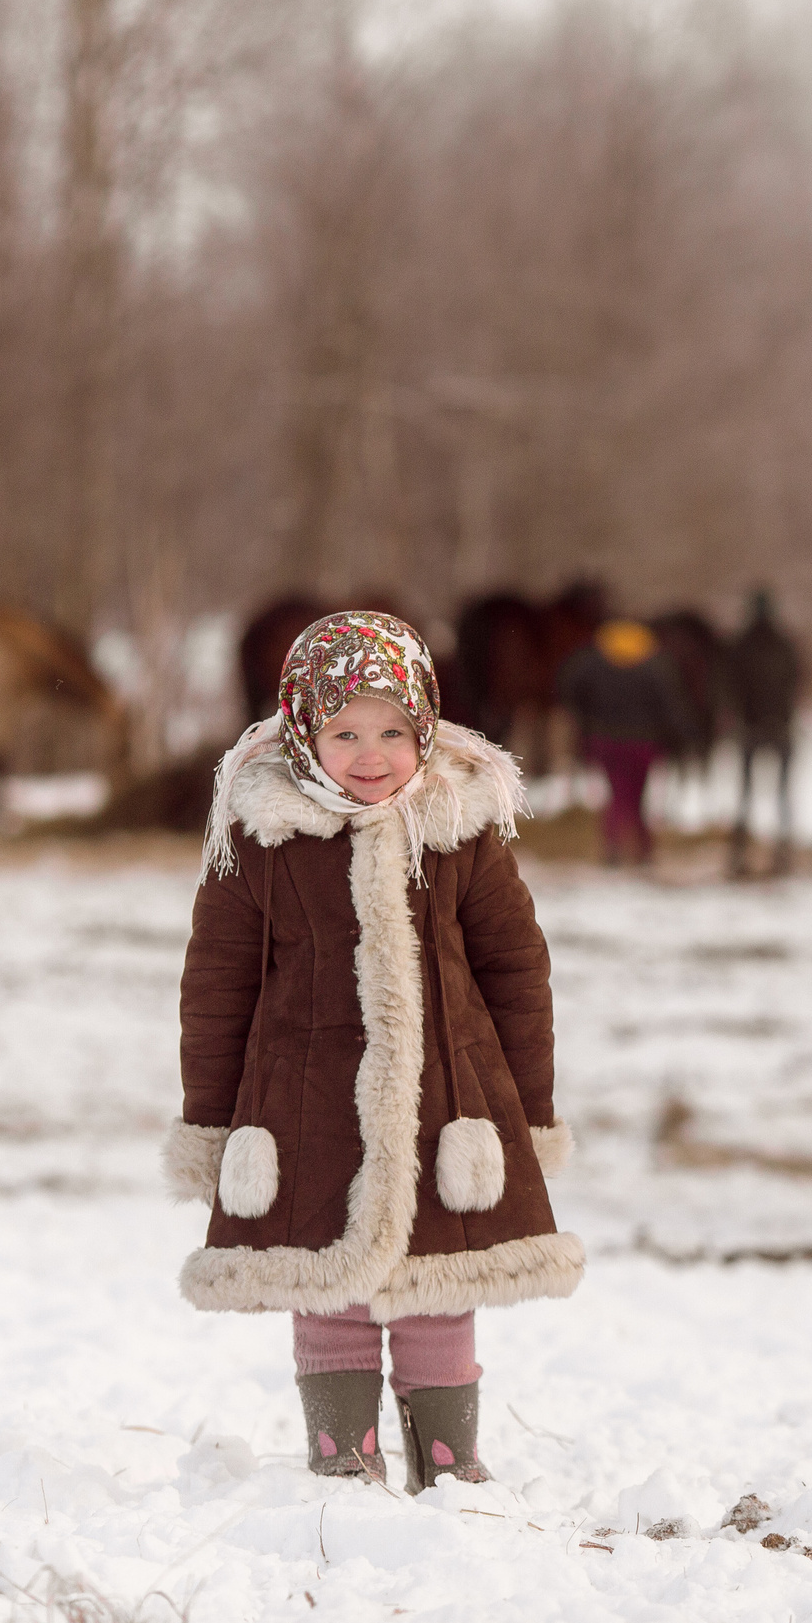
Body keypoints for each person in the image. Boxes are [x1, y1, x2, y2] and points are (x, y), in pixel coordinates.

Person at [165, 611, 580, 1489]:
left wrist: (531, 1114)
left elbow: (517, 972)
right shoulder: (262, 837)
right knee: (332, 1290)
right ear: (303, 729)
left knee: (438, 1286)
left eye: (394, 731)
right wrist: (209, 1123)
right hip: (306, 1105)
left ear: (426, 727)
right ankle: (342, 1466)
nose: (371, 754)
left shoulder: (459, 829)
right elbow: (216, 988)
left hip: (448, 1105)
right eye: (345, 731)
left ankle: (449, 1466)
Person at [558, 617, 695, 865]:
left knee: (618, 794)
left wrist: (586, 719)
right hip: (643, 742)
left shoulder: (593, 660)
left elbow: (568, 685)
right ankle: (640, 849)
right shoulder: (654, 663)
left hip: (605, 739)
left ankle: (616, 847)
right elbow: (670, 704)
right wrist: (680, 737)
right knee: (636, 796)